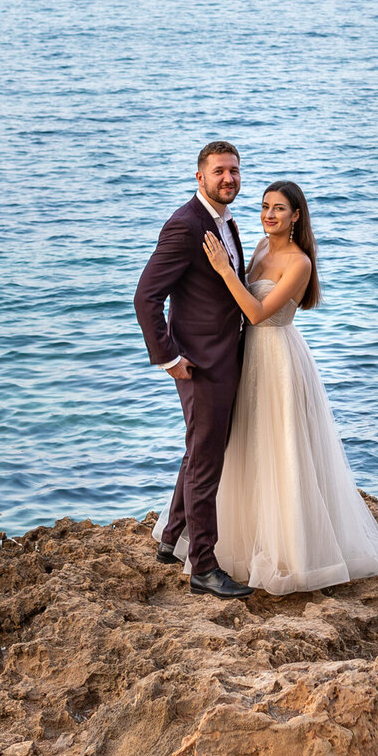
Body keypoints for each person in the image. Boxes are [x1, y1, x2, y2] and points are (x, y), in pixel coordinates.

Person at [192, 178, 378, 596]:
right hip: (247, 356)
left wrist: (225, 270)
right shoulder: (263, 247)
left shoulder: (299, 262)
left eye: (279, 208)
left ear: (296, 215)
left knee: (281, 450)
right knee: (247, 446)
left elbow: (258, 312)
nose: (268, 214)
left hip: (277, 358)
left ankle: (292, 553)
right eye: (264, 206)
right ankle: (240, 544)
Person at [133, 141, 255, 599]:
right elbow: (146, 297)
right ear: (199, 177)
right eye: (220, 171)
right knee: (207, 460)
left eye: (235, 171)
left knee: (200, 449)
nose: (229, 179)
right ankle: (203, 565)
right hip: (200, 363)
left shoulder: (223, 221)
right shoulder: (185, 226)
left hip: (226, 356)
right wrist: (168, 357)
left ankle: (171, 538)